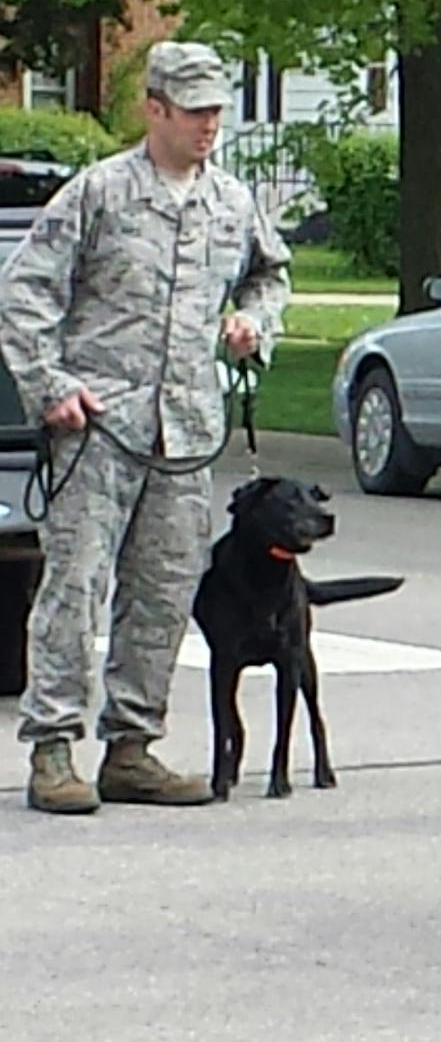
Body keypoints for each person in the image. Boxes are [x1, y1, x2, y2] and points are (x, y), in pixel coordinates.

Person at [0, 41, 290, 815]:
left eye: (216, 112)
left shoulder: (230, 202)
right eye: (193, 111)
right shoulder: (100, 194)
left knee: (163, 593)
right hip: (100, 426)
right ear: (154, 109)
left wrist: (253, 323)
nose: (208, 126)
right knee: (76, 587)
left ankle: (132, 746)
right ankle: (53, 749)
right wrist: (50, 385)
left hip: (186, 430)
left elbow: (271, 273)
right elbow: (24, 291)